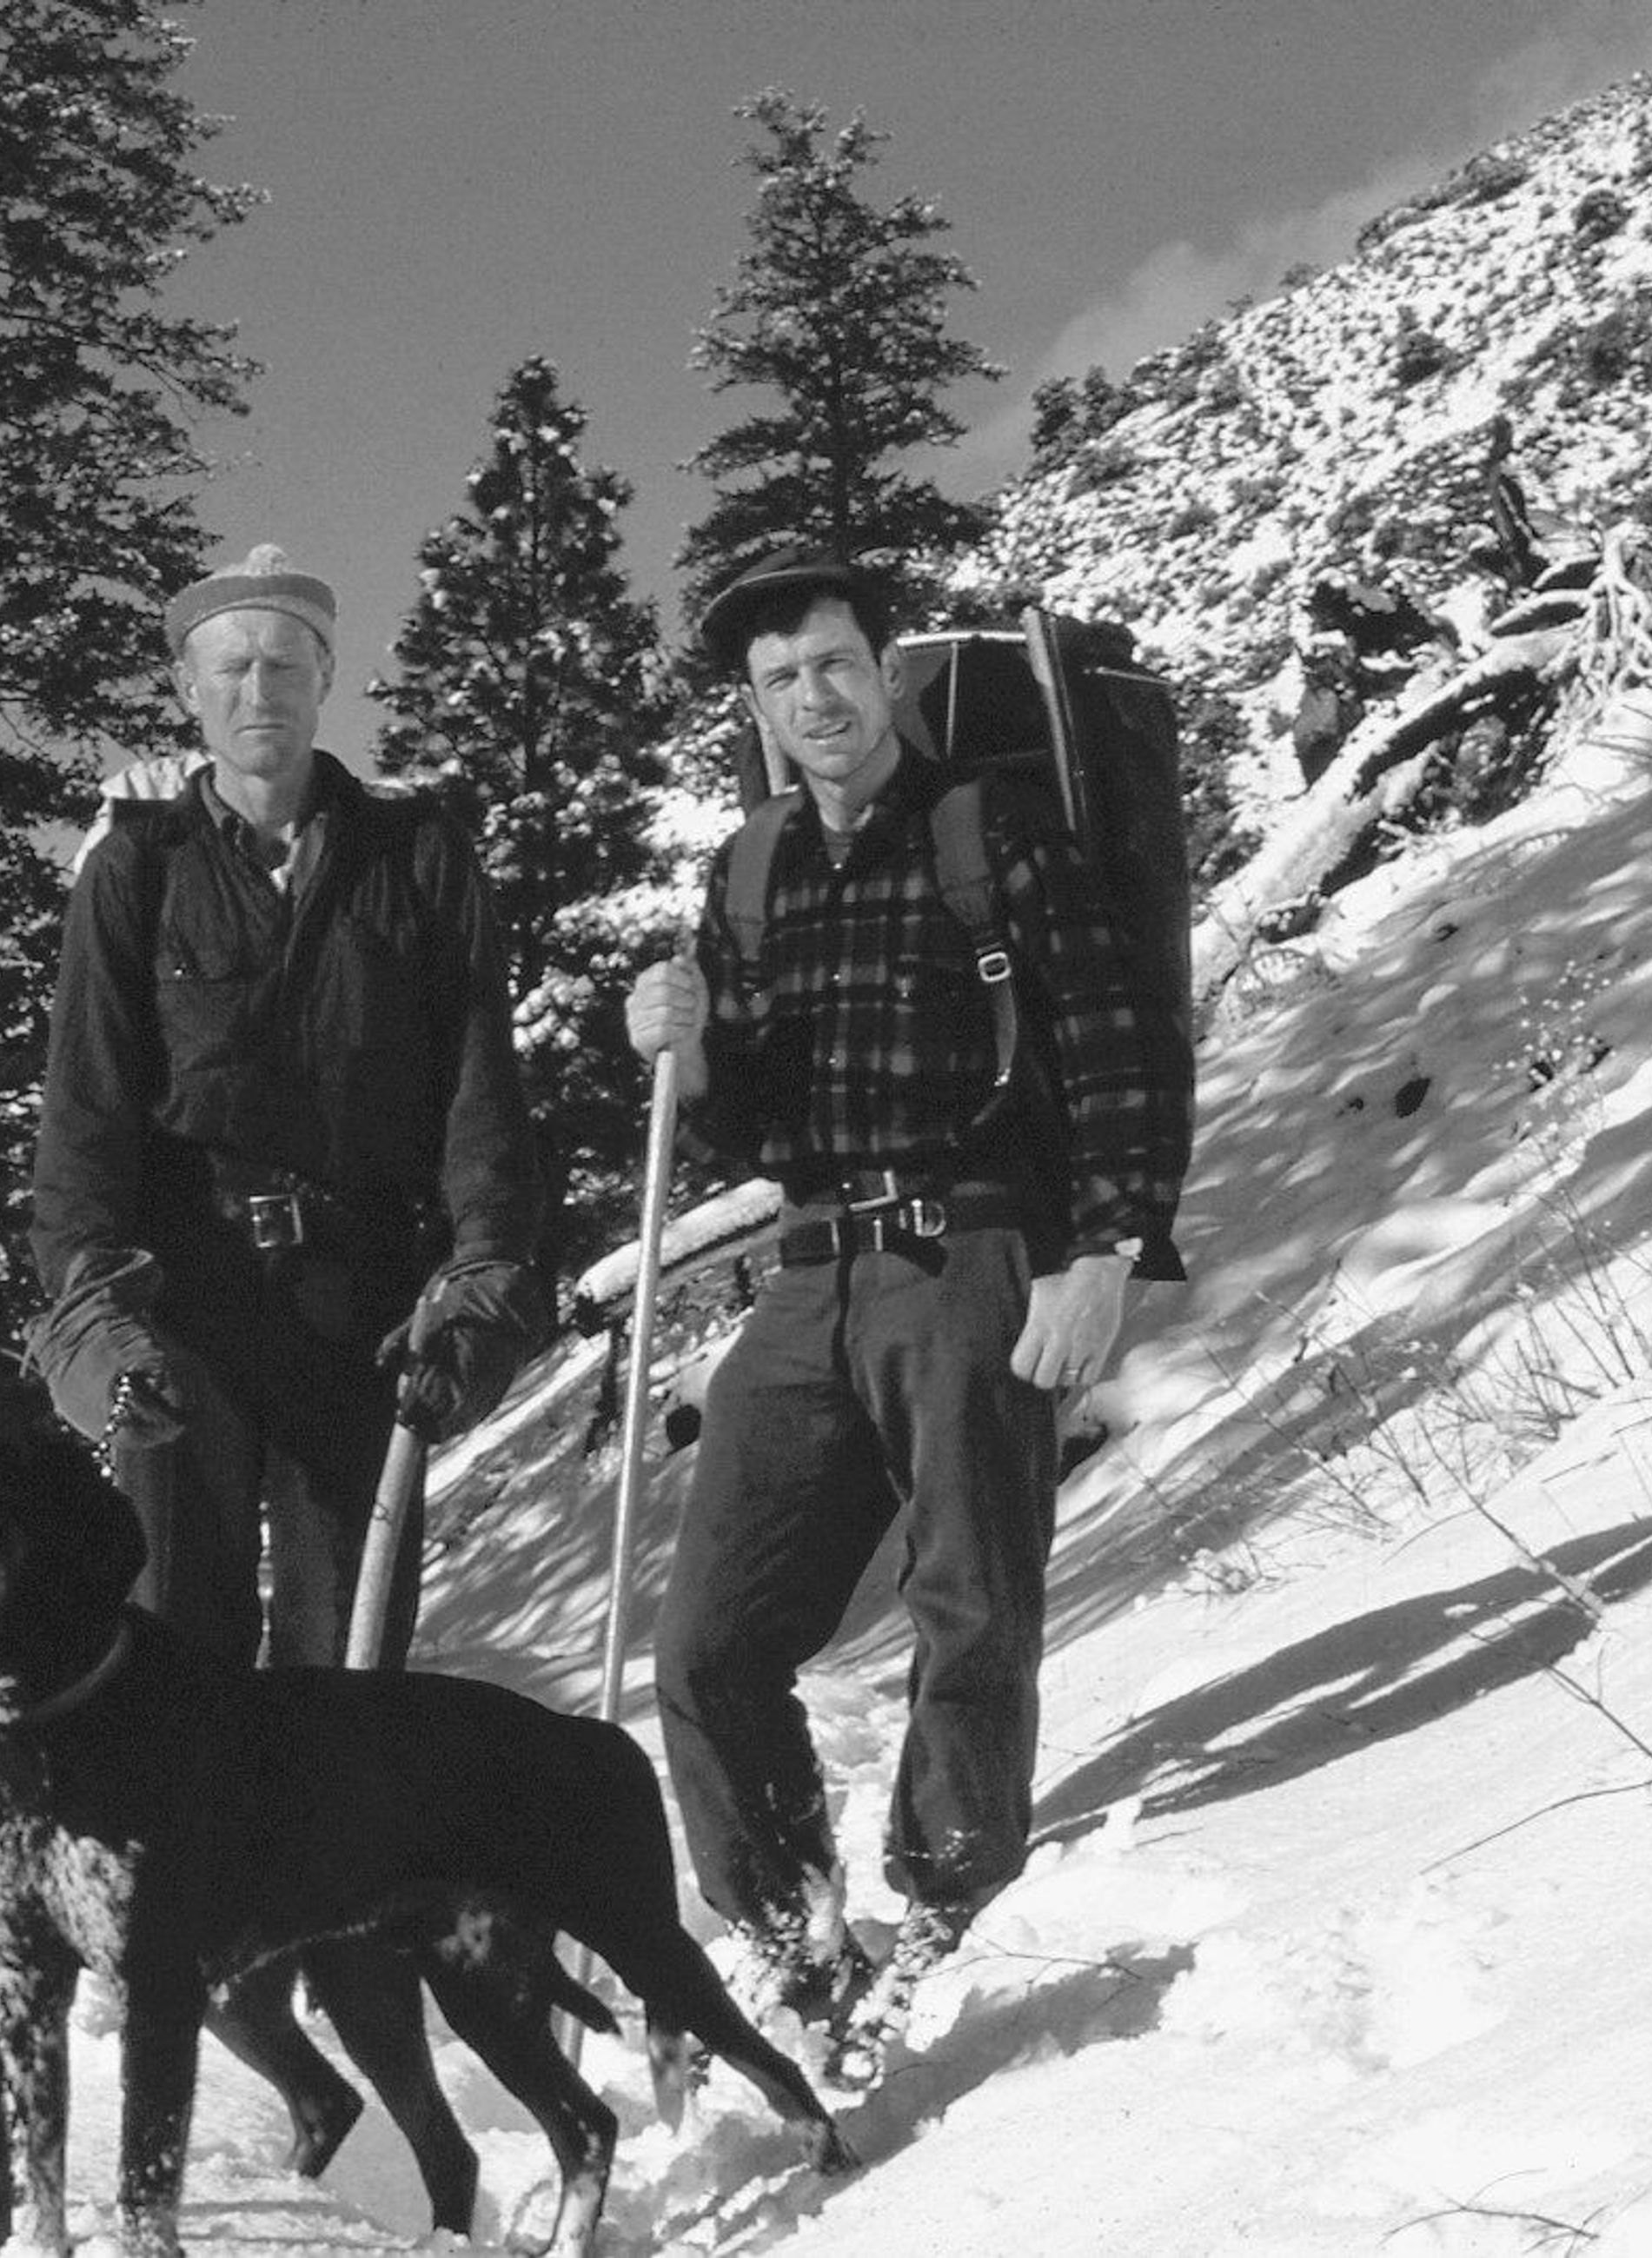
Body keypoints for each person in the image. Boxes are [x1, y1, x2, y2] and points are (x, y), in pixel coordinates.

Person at [625, 547, 1191, 2066]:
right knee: (709, 1643)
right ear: (753, 709)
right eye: (778, 681)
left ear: (883, 669)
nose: (812, 699)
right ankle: (783, 1922)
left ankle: (942, 1898)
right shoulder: (746, 870)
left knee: (967, 1591)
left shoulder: (985, 830)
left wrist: (1109, 1250)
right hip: (811, 1270)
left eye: (833, 664)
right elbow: (745, 1122)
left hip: (975, 1248)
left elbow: (1117, 1040)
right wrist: (678, 1050)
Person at [26, 544, 548, 1673]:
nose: (255, 691)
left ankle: (342, 1854)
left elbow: (479, 1099)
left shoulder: (418, 857)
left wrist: (485, 1278)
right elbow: (83, 1131)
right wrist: (105, 1330)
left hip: (362, 1308)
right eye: (229, 669)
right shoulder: (135, 871)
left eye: (281, 665)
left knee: (345, 1669)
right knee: (172, 1664)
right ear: (187, 691)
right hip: (181, 1311)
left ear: (325, 676)